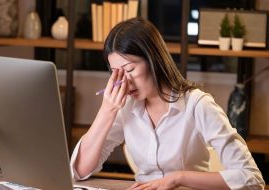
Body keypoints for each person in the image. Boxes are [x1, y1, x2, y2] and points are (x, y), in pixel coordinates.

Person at [70, 18, 265, 190]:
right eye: (116, 73)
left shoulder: (197, 104)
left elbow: (251, 178)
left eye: (129, 69)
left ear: (153, 60)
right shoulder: (126, 107)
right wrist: (107, 109)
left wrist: (178, 179)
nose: (124, 82)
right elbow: (79, 171)